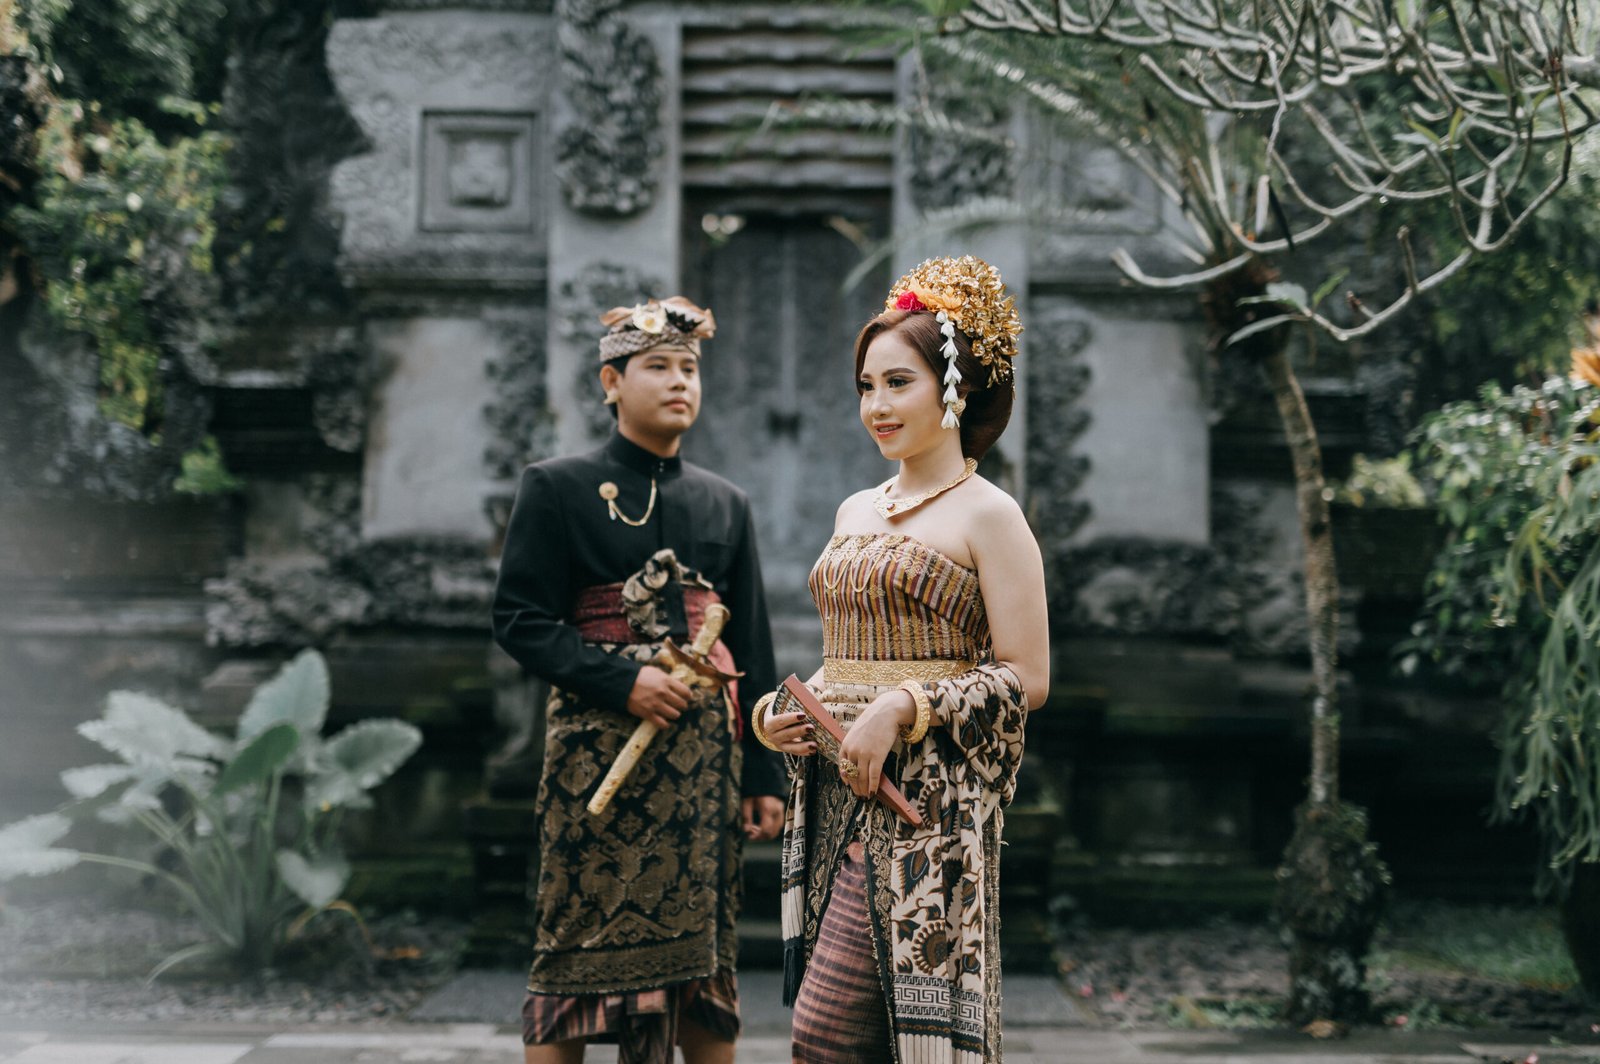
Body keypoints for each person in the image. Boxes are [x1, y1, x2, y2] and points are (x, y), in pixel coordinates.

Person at [753, 256, 1050, 1064]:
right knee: (858, 1042)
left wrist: (903, 707)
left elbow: (1028, 676)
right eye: (865, 387)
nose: (876, 406)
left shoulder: (990, 515)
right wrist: (786, 712)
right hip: (834, 791)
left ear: (954, 390)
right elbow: (847, 659)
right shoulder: (856, 509)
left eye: (897, 383)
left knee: (826, 1035)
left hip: (928, 808)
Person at [492, 295, 787, 1064]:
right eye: (658, 366)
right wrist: (620, 682)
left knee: (705, 962)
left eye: (689, 368)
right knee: (570, 950)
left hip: (701, 774)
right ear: (611, 383)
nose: (679, 382)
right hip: (594, 763)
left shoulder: (726, 503)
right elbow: (520, 620)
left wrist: (765, 773)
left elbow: (751, 644)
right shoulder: (555, 487)